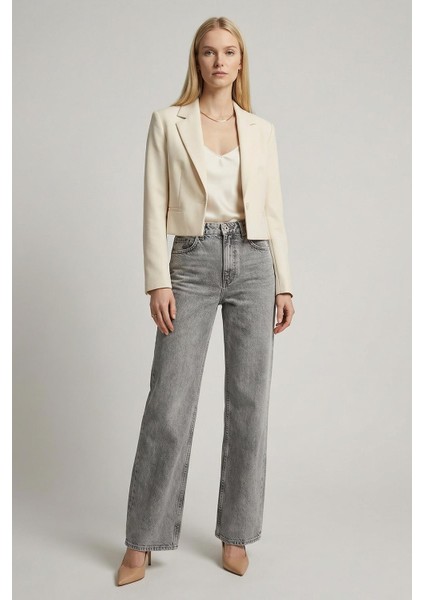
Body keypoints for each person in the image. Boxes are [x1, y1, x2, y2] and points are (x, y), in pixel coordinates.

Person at [117, 15, 295, 586]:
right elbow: (153, 203)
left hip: (254, 261)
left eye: (229, 52)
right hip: (190, 261)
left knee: (249, 403)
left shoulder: (261, 130)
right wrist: (157, 279)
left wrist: (284, 282)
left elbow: (273, 210)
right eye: (209, 52)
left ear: (242, 62)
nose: (220, 61)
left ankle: (236, 533)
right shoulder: (168, 122)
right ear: (196, 60)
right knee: (168, 404)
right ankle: (142, 540)